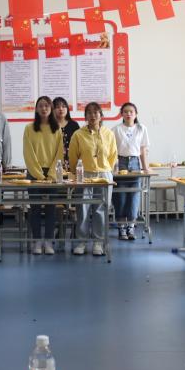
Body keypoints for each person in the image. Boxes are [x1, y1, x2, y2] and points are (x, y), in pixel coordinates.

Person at [68, 102, 117, 256]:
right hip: (84, 175)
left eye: (96, 112)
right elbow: (73, 157)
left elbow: (112, 155)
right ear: (85, 116)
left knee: (100, 209)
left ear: (101, 115)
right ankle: (81, 241)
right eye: (89, 112)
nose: (92, 115)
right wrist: (77, 173)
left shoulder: (108, 133)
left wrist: (104, 169)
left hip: (104, 176)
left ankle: (98, 242)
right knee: (82, 209)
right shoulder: (78, 134)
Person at [22, 96, 64, 254]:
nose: (44, 108)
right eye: (40, 106)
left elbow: (59, 153)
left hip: (52, 173)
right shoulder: (29, 128)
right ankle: (37, 241)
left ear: (51, 108)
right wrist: (38, 174)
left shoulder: (57, 128)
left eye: (47, 105)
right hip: (34, 173)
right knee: (35, 208)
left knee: (51, 208)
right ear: (36, 109)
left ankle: (48, 241)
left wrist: (52, 173)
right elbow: (28, 153)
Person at [112, 102, 151, 241]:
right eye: (125, 111)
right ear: (121, 114)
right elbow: (113, 151)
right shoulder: (116, 129)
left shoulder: (141, 128)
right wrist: (114, 168)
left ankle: (131, 227)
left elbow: (142, 151)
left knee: (134, 197)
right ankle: (121, 227)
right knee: (120, 197)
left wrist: (145, 168)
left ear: (136, 114)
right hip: (120, 162)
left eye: (131, 112)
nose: (128, 114)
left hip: (135, 163)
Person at [52, 97, 80, 161]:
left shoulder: (74, 125)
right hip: (53, 161)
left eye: (63, 106)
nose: (61, 109)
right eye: (57, 107)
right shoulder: (49, 126)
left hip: (71, 160)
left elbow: (79, 144)